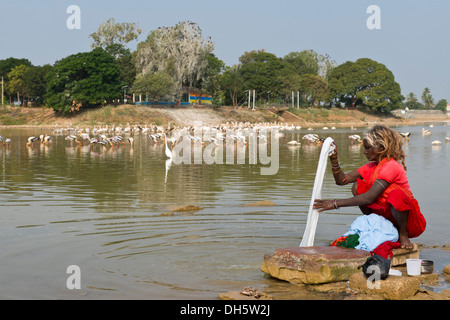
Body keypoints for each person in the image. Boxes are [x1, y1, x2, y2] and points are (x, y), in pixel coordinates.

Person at [313, 124, 426, 249]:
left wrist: (334, 203)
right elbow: (341, 180)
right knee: (358, 186)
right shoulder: (371, 167)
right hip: (385, 217)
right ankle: (376, 225)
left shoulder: (391, 166)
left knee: (396, 195)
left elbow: (369, 198)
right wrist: (334, 158)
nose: (364, 152)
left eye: (368, 148)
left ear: (381, 147)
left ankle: (403, 235)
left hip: (410, 223)